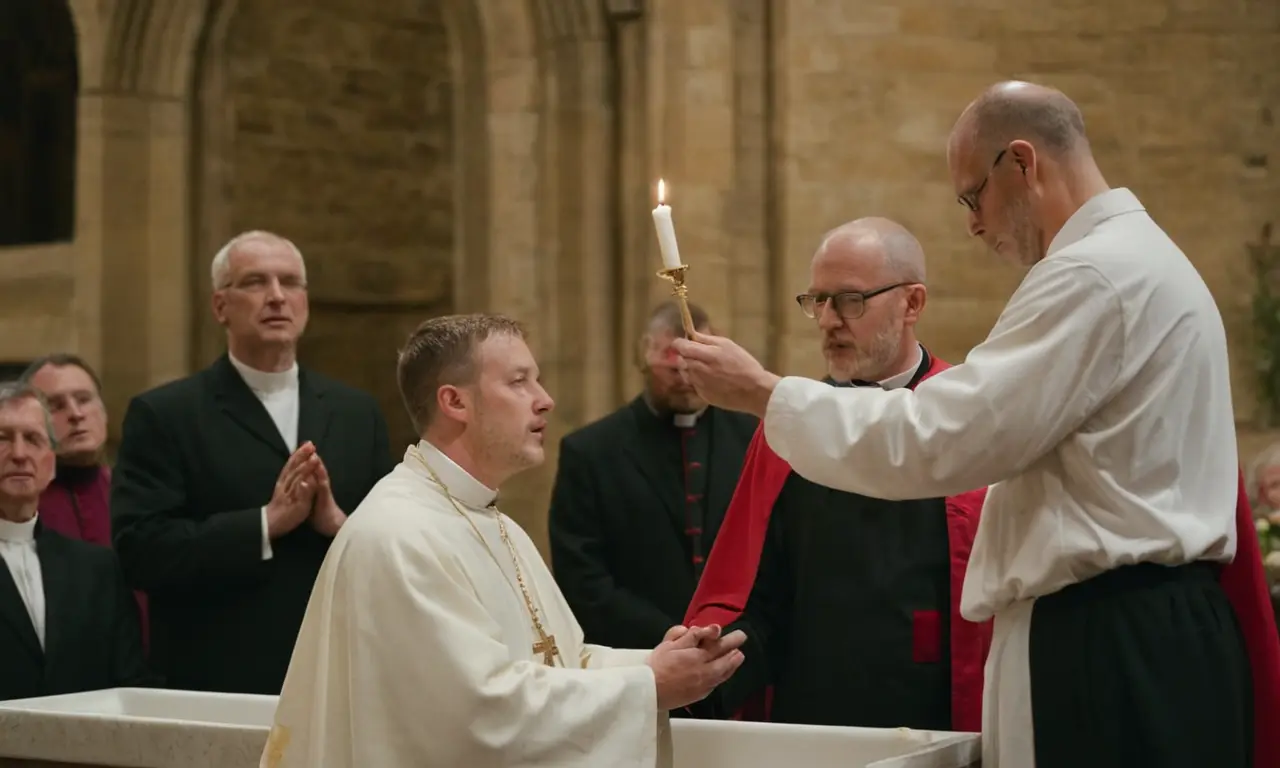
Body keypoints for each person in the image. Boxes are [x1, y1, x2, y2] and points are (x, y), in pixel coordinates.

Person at [671, 81, 1280, 768]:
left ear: (1022, 164)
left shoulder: (1093, 275)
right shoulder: (1146, 261)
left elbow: (940, 437)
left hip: (1113, 642)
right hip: (1140, 631)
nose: (972, 223)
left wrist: (760, 391)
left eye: (972, 196)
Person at [263, 314, 746, 768]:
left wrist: (657, 662)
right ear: (455, 402)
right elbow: (478, 714)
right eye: (518, 382)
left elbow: (562, 661)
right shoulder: (399, 534)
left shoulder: (494, 522)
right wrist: (648, 687)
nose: (545, 399)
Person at [684, 218, 991, 731]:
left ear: (912, 303)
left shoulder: (961, 417)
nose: (828, 320)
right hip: (812, 716)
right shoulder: (791, 425)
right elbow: (759, 596)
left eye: (850, 300)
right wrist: (714, 660)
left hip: (935, 716)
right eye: (817, 301)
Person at [110, 230, 395, 695]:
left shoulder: (355, 413)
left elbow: (395, 548)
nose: (277, 296)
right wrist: (264, 524)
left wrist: (338, 523)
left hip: (335, 675)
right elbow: (141, 552)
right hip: (217, 677)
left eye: (291, 282)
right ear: (220, 306)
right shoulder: (166, 415)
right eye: (256, 282)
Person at [549, 301, 757, 652]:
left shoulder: (753, 440)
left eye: (698, 367)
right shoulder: (591, 452)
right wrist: (672, 637)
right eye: (673, 369)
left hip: (741, 650)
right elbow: (582, 579)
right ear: (645, 360)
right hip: (637, 657)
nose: (687, 380)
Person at [0, 382, 152, 701]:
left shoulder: (98, 569)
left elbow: (129, 685)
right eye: (2, 439)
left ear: (51, 462)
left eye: (33, 439)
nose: (19, 454)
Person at [21, 354, 151, 651]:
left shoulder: (141, 492)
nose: (76, 414)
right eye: (55, 405)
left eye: (84, 399)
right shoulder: (18, 507)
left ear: (104, 413)